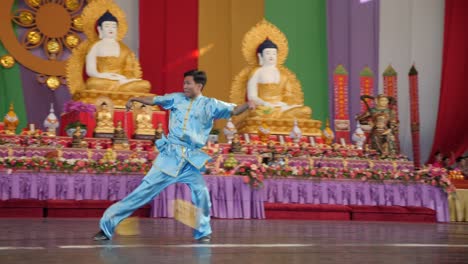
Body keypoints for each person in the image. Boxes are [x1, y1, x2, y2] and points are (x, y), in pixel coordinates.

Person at [93, 70, 255, 243]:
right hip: (170, 157)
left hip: (190, 160)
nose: (184, 86)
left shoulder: (211, 104)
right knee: (141, 193)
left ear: (199, 86)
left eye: (188, 83)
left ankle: (203, 231)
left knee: (201, 193)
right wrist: (134, 98)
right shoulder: (175, 99)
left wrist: (249, 104)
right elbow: (154, 100)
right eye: (184, 83)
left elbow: (235, 109)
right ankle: (106, 227)